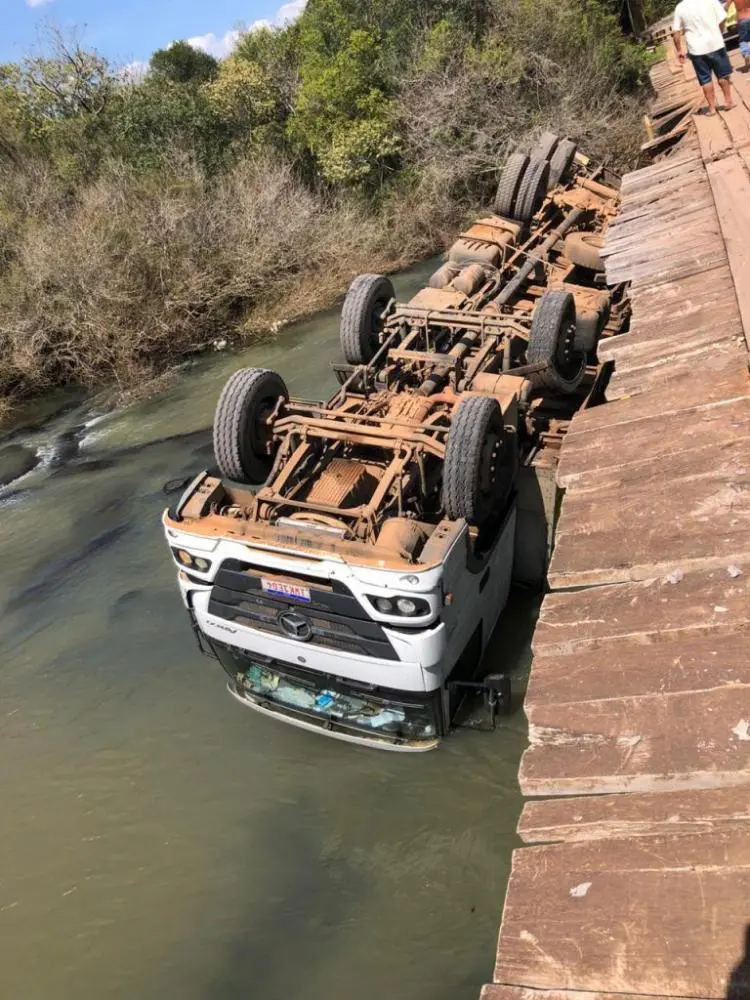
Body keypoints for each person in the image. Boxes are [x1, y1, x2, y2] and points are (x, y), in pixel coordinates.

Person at [672, 0, 736, 114]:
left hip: (696, 50)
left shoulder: (680, 7)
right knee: (723, 75)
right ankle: (728, 101)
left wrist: (679, 51)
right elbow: (722, 19)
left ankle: (711, 108)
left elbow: (676, 33)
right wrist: (719, 33)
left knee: (705, 79)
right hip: (716, 44)